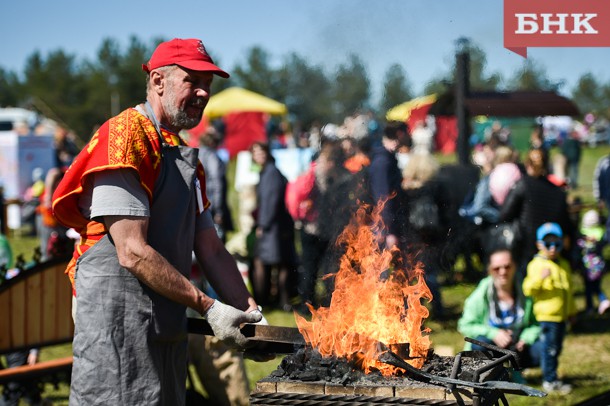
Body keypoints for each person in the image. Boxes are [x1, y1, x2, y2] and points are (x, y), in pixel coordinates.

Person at [51, 38, 264, 405]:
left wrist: (252, 315)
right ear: (158, 81)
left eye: (208, 85)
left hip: (164, 323)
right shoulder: (125, 136)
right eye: (192, 81)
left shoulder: (188, 160)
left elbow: (210, 249)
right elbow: (132, 251)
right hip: (116, 325)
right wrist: (208, 306)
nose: (202, 93)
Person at [458, 249, 542, 374]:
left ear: (514, 267)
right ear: (490, 270)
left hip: (518, 345)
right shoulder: (481, 295)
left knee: (544, 347)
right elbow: (465, 325)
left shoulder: (526, 291)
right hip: (491, 345)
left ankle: (516, 370)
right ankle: (490, 372)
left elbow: (536, 324)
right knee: (480, 343)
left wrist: (525, 338)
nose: (503, 272)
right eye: (497, 268)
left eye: (507, 267)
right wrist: (493, 333)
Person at [523, 223, 576, 394]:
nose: (552, 248)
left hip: (561, 316)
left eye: (557, 244)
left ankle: (549, 374)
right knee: (550, 349)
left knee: (556, 348)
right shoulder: (536, 265)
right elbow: (528, 289)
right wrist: (540, 278)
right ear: (539, 245)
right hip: (547, 316)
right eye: (548, 244)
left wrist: (572, 311)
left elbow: (568, 291)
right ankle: (550, 380)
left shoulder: (563, 265)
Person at [250, 141, 298, 311]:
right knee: (279, 263)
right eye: (255, 153)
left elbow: (271, 201)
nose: (258, 155)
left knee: (269, 262)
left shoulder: (271, 173)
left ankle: (269, 301)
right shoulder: (269, 171)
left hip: (274, 227)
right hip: (277, 226)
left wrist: (262, 224)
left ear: (268, 153)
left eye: (261, 152)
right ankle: (278, 301)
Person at [576, 209, 610, 315]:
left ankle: (593, 306)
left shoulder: (584, 237)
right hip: (599, 266)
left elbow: (579, 245)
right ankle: (602, 302)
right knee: (595, 286)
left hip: (588, 267)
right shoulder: (601, 235)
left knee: (589, 288)